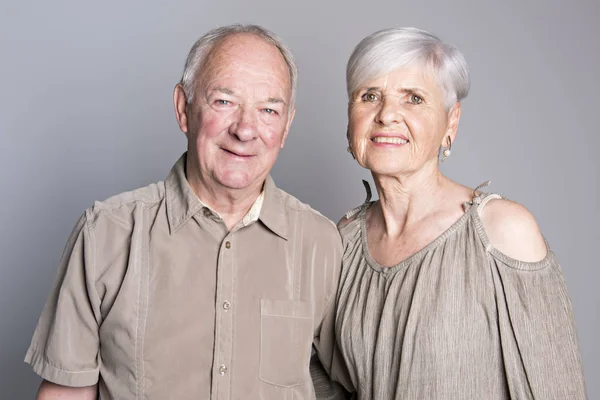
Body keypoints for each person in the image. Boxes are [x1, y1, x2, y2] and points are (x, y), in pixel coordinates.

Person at [26, 24, 343, 400]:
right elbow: (66, 393)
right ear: (183, 108)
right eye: (224, 101)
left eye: (268, 110)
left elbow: (338, 386)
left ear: (286, 126)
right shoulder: (106, 234)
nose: (245, 129)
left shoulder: (322, 243)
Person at [312, 27, 587, 399]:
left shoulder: (502, 232)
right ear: (350, 120)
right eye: (369, 96)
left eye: (413, 98)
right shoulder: (340, 241)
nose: (387, 114)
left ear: (451, 122)